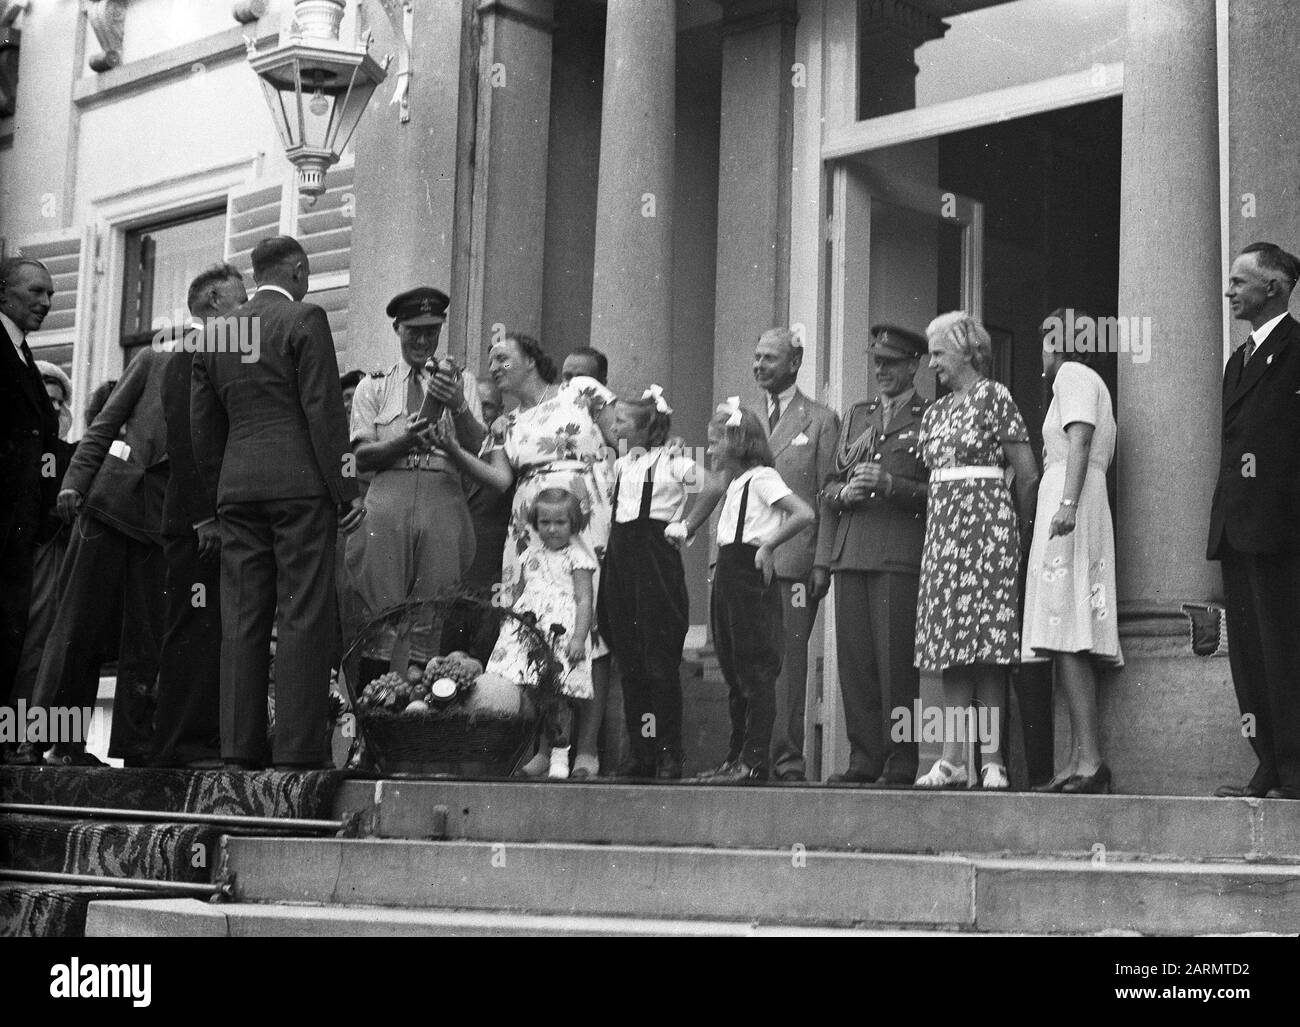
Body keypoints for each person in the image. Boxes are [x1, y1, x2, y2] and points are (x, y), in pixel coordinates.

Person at [191, 236, 364, 770]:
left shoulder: (216, 333)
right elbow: (325, 412)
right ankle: (297, 751)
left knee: (241, 619)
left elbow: (202, 428)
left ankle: (238, 751)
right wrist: (347, 488)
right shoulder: (305, 318)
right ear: (298, 268)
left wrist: (220, 496)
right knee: (302, 614)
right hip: (299, 489)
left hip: (238, 491)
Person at [433, 332, 614, 778]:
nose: (494, 367)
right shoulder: (506, 424)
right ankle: (542, 747)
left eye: (502, 357)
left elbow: (621, 436)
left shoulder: (581, 391)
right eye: (490, 361)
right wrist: (454, 451)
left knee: (581, 622)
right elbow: (497, 479)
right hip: (527, 525)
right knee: (532, 625)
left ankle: (587, 749)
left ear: (532, 359)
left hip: (582, 510)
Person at [19, 324, 176, 767]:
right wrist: (74, 482)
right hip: (108, 506)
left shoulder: (224, 377)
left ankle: (134, 747)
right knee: (74, 628)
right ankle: (45, 741)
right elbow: (103, 424)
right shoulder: (152, 361)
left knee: (146, 638)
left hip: (162, 523)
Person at [913, 312, 1039, 790]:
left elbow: (1026, 474)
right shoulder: (936, 412)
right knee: (951, 646)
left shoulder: (995, 397)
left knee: (988, 646)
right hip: (944, 533)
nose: (932, 363)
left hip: (988, 529)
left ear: (967, 351)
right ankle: (951, 760)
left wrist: (1019, 536)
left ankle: (992, 760)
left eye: (939, 352)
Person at [345, 287, 483, 677]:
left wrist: (457, 405)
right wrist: (404, 439)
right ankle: (375, 710)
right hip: (389, 494)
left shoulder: (461, 382)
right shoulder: (373, 386)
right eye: (413, 331)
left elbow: (481, 447)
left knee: (433, 610)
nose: (423, 340)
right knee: (382, 613)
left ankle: (419, 721)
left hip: (442, 494)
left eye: (432, 331)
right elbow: (360, 457)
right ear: (397, 328)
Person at [814, 324, 930, 786]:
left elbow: (938, 489)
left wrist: (890, 486)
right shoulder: (857, 416)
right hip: (852, 550)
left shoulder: (930, 416)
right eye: (877, 362)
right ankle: (864, 759)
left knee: (896, 665)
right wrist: (845, 493)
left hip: (898, 552)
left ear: (914, 365)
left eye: (892, 362)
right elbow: (828, 485)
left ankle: (900, 762)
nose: (881, 370)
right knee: (857, 665)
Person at [1209, 242, 1300, 801]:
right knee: (1247, 652)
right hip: (1238, 529)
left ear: (1275, 287)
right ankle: (1268, 763)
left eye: (1241, 281)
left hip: (1281, 530)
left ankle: (1295, 768)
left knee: (1285, 647)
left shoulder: (1296, 350)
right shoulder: (1238, 359)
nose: (1230, 290)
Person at [1021, 309, 1123, 794]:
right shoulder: (1079, 378)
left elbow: (1079, 441)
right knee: (1062, 630)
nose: (1042, 352)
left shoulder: (1073, 374)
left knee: (1069, 627)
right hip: (1071, 496)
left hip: (1072, 498)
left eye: (1045, 341)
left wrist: (1066, 505)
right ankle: (1076, 760)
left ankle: (1091, 761)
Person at [599, 386, 723, 779]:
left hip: (655, 565)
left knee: (659, 664)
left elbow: (714, 484)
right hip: (621, 566)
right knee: (631, 663)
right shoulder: (621, 464)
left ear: (645, 428)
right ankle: (641, 753)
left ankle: (670, 753)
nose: (614, 427)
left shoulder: (673, 461)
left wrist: (686, 525)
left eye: (621, 422)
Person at [151, 264, 247, 768]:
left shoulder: (206, 355)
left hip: (202, 521)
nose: (247, 307)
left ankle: (192, 742)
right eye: (240, 298)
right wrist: (204, 519)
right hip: (196, 526)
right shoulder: (190, 356)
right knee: (194, 628)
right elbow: (188, 444)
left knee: (206, 627)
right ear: (213, 302)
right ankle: (182, 746)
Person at [696, 401, 815, 784]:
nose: (710, 450)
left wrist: (768, 546)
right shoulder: (735, 484)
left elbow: (803, 513)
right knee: (734, 671)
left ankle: (754, 760)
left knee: (756, 672)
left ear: (738, 442)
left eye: (715, 443)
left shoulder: (762, 478)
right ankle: (736, 757)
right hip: (729, 578)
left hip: (749, 578)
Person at [751, 326, 840, 782]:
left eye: (769, 358)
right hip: (745, 562)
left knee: (786, 666)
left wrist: (822, 562)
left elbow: (826, 495)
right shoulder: (742, 420)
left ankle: (785, 762)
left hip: (792, 563)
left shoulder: (820, 420)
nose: (759, 365)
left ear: (794, 363)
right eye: (757, 357)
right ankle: (749, 758)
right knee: (747, 662)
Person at [487, 488, 596, 780]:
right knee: (535, 694)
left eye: (560, 523)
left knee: (559, 695)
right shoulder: (530, 554)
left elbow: (585, 599)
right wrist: (512, 627)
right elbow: (522, 593)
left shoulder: (578, 558)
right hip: (532, 634)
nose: (552, 529)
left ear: (573, 523)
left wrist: (578, 638)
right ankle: (541, 755)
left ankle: (560, 755)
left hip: (562, 635)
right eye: (545, 522)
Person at [0, 257, 58, 718]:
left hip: (21, 523)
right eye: (35, 292)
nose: (46, 302)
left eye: (51, 294)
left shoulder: (23, 352)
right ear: (3, 293)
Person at [8, 362, 76, 719]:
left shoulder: (64, 454)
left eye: (56, 401)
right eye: (43, 400)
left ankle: (20, 733)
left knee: (37, 641)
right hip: (16, 552)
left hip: (45, 553)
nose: (51, 408)